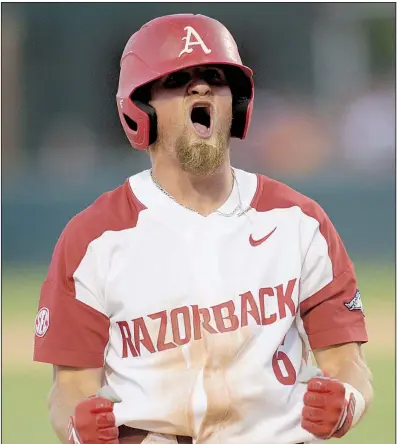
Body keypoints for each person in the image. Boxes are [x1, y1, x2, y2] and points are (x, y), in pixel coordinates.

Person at [33, 13, 373, 444]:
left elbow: (348, 363)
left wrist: (347, 401)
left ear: (239, 104)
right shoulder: (94, 239)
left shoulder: (299, 222)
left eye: (216, 76)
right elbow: (69, 390)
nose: (201, 87)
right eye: (177, 79)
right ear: (140, 108)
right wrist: (77, 428)